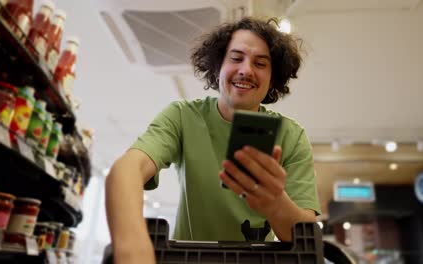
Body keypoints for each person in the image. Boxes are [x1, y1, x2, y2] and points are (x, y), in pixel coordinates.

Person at [105, 17, 321, 263]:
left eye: (260, 63)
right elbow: (127, 171)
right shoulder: (182, 116)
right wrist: (134, 247)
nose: (246, 70)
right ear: (218, 66)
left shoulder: (292, 137)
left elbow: (305, 234)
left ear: (273, 78)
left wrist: (275, 203)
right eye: (236, 58)